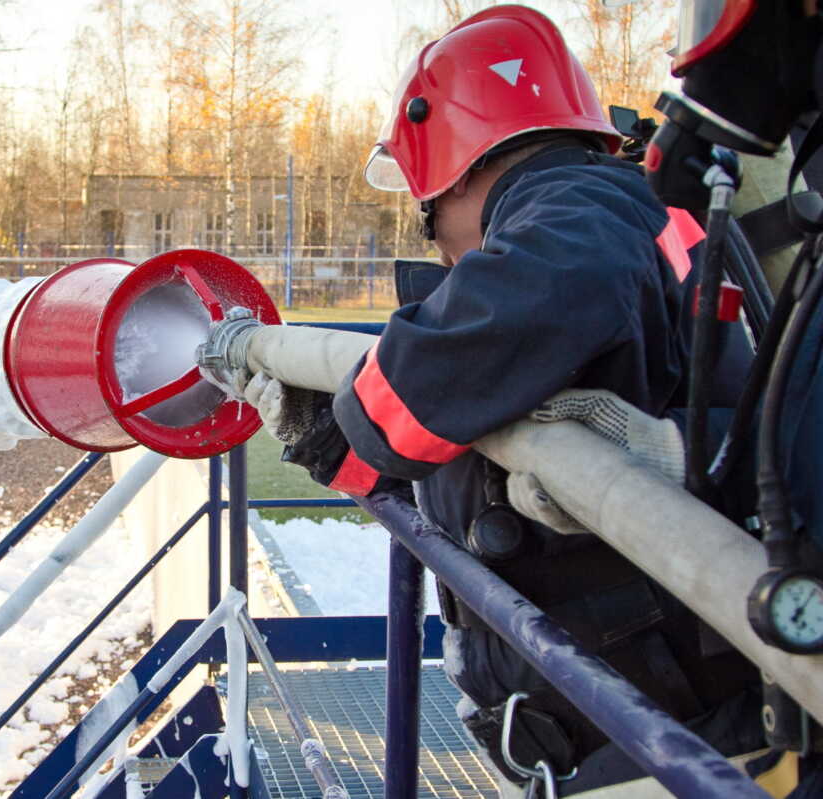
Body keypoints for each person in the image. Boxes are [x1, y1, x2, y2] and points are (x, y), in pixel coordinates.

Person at [239, 5, 763, 795]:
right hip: (637, 718)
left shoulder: (580, 213)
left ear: (454, 169)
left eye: (427, 214)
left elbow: (447, 369)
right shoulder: (608, 212)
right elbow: (469, 412)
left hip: (674, 737)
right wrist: (342, 440)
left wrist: (357, 419)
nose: (438, 244)